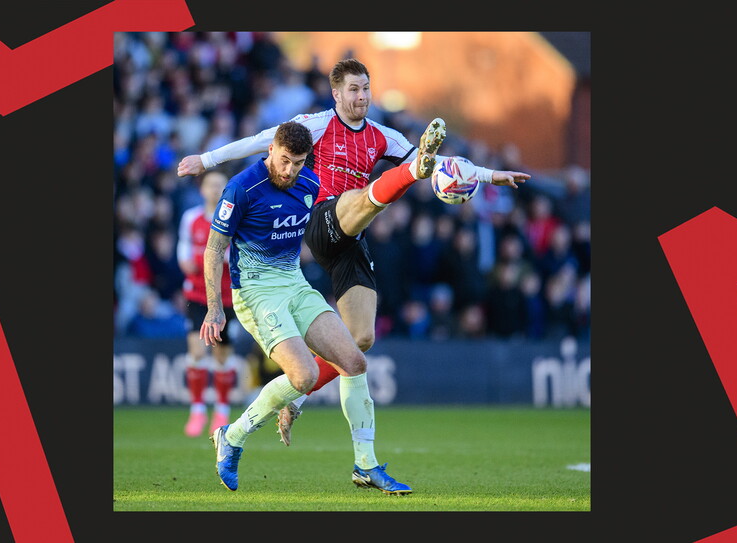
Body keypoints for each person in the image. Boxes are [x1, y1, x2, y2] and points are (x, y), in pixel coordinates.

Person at [179, 58, 530, 446]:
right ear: (336, 93)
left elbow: (443, 166)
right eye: (353, 89)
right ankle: (404, 177)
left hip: (352, 235)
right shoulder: (316, 124)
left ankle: (296, 398)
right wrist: (206, 160)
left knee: (360, 339)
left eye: (366, 88)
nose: (361, 96)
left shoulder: (383, 135)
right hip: (321, 219)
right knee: (369, 194)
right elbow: (261, 140)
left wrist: (488, 175)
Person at [202, 121, 418, 495]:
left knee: (354, 361)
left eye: (298, 163)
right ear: (271, 149)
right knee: (301, 377)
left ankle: (366, 465)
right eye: (284, 161)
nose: (289, 171)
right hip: (256, 292)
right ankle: (232, 435)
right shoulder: (241, 188)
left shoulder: (309, 184)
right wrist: (213, 308)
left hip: (295, 284)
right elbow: (213, 249)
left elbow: (315, 236)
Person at [176, 170, 246, 437]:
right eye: (210, 185)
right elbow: (183, 248)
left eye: (220, 185)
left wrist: (216, 259)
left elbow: (237, 253)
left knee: (221, 356)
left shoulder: (234, 219)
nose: (215, 190)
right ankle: (196, 410)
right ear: (202, 189)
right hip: (196, 294)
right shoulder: (191, 218)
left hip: (226, 297)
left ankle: (221, 409)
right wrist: (185, 261)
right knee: (196, 351)